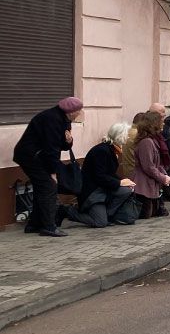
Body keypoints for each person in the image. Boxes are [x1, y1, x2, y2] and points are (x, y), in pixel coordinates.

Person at [13, 97, 84, 237]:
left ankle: (34, 224)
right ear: (71, 111)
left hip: (39, 156)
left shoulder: (65, 120)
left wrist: (69, 141)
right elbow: (51, 148)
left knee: (42, 188)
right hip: (30, 156)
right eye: (79, 110)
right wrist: (52, 172)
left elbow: (62, 145)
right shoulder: (52, 119)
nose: (80, 113)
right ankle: (49, 226)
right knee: (49, 186)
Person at [66, 122, 139, 228]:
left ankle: (108, 215)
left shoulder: (112, 149)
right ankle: (69, 211)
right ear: (120, 136)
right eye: (126, 135)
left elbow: (109, 174)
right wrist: (120, 182)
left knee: (126, 190)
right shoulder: (102, 151)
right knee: (100, 223)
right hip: (93, 192)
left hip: (103, 189)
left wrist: (125, 182)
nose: (128, 137)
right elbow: (99, 176)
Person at [132, 111, 170, 218]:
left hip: (150, 185)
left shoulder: (152, 140)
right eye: (160, 121)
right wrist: (162, 178)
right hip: (143, 186)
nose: (163, 123)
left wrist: (164, 175)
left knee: (154, 212)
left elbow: (157, 163)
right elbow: (148, 166)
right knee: (146, 214)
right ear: (153, 124)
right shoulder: (146, 142)